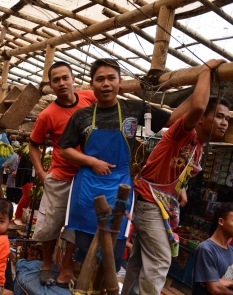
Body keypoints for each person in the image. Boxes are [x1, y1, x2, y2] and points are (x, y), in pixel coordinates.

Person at [121, 59, 229, 295]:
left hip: (159, 203)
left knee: (139, 255)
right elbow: (198, 105)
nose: (224, 122)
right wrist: (206, 70)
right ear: (202, 119)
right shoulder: (183, 132)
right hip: (148, 200)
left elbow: (177, 166)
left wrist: (179, 188)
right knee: (160, 258)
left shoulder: (199, 144)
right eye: (220, 116)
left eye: (227, 118)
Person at [59, 58, 172, 282]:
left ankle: (99, 286)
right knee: (82, 236)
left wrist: (201, 90)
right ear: (92, 84)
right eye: (100, 79)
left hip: (119, 185)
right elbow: (65, 149)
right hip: (88, 184)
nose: (106, 84)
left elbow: (175, 119)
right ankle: (81, 282)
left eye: (111, 78)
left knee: (113, 237)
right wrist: (92, 162)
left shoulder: (135, 108)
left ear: (120, 82)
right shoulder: (81, 116)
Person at [28, 61, 96, 287]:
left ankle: (66, 269)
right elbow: (34, 144)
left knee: (76, 226)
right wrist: (41, 172)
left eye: (65, 77)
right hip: (60, 176)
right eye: (56, 80)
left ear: (74, 78)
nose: (61, 83)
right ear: (50, 85)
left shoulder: (89, 98)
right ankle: (46, 265)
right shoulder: (47, 115)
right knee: (51, 223)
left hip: (86, 177)